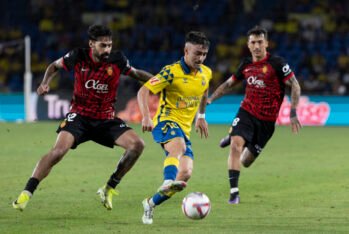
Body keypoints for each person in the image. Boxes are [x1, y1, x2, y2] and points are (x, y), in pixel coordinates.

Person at [12, 24, 153, 211]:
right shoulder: (77, 56)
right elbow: (54, 66)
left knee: (137, 145)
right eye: (103, 45)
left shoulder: (117, 60)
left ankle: (109, 188)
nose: (107, 49)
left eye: (109, 45)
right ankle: (25, 194)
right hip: (79, 117)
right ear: (91, 44)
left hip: (105, 119)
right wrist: (45, 83)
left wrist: (161, 82)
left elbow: (136, 74)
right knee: (58, 152)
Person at [207, 25, 302, 204]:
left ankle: (232, 135)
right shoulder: (246, 65)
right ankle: (234, 192)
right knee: (236, 146)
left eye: (260, 42)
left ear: (266, 43)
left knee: (246, 161)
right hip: (247, 112)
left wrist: (293, 112)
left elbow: (295, 85)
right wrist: (211, 99)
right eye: (253, 42)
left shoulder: (277, 64)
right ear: (248, 45)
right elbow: (228, 84)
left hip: (266, 123)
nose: (257, 46)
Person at [137, 31, 211, 224]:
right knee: (178, 147)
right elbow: (144, 89)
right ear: (186, 50)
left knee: (185, 173)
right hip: (165, 121)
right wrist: (145, 116)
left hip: (184, 130)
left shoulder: (206, 73)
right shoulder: (171, 71)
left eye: (204, 54)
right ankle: (167, 181)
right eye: (197, 53)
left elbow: (204, 91)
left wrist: (201, 116)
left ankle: (150, 204)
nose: (200, 58)